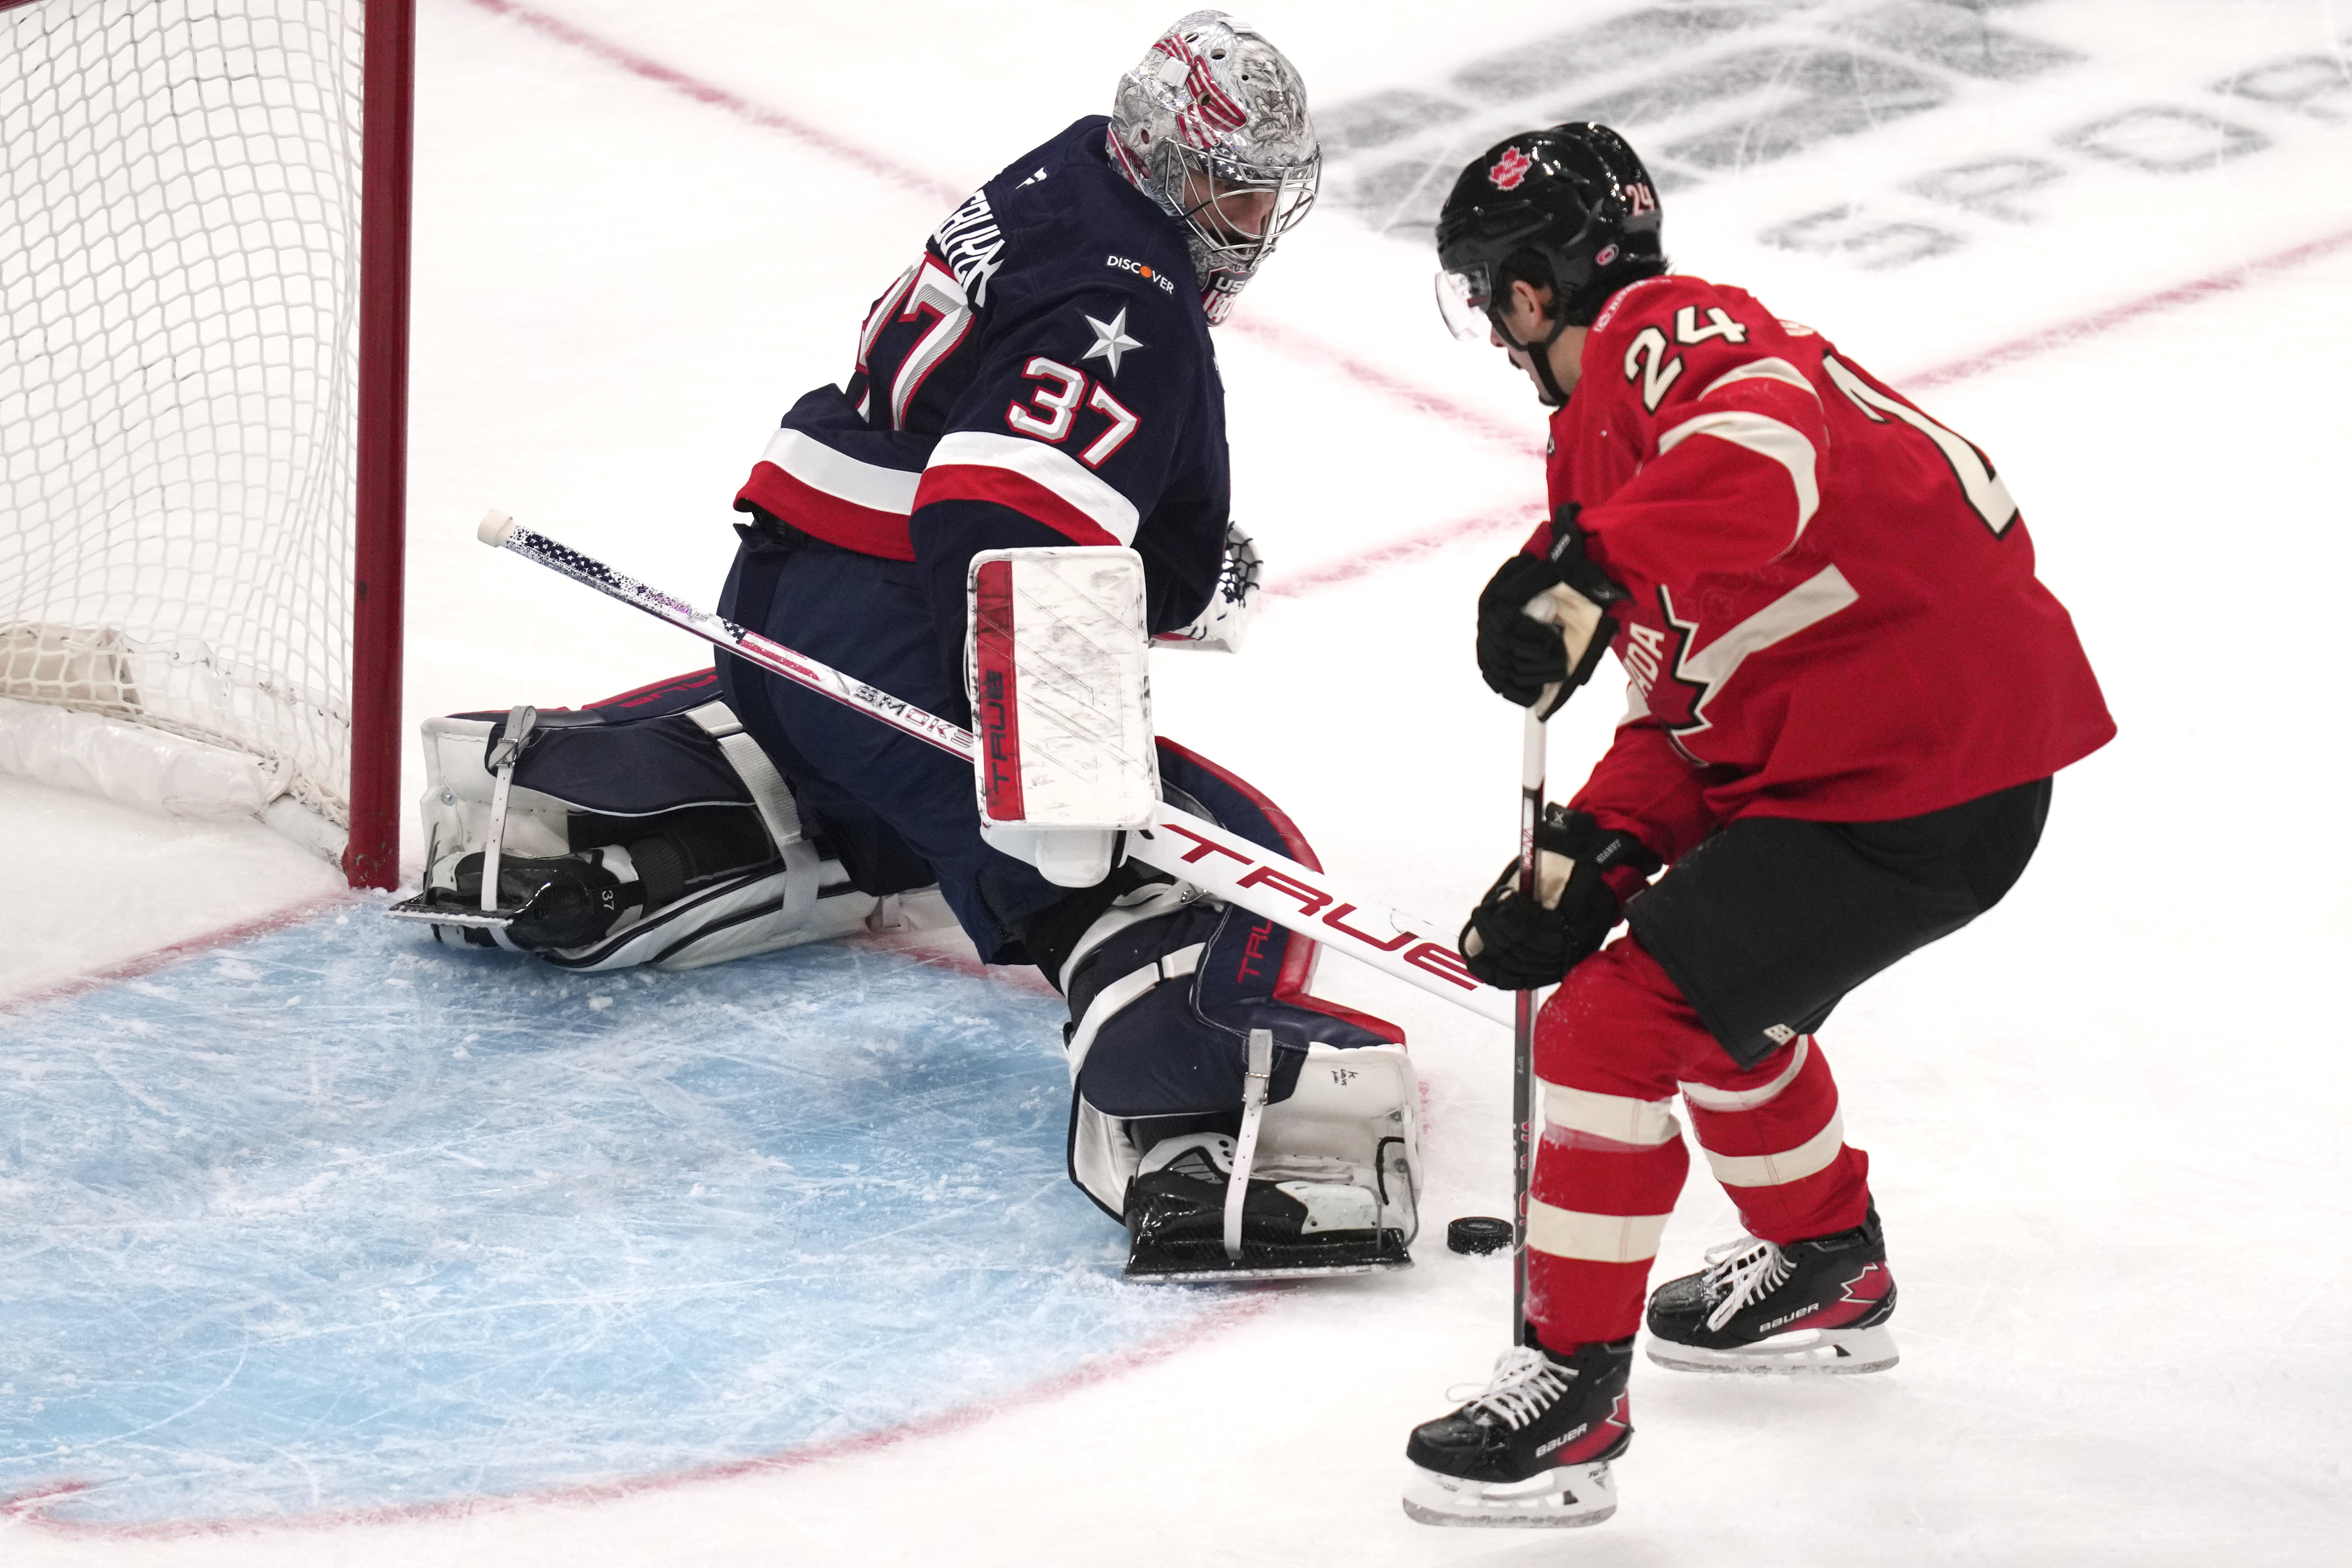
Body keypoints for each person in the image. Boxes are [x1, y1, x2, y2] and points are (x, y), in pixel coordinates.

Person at [404, 13, 1427, 1281]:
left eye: (1267, 184)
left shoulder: (1076, 168)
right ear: (1164, 161)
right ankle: (1199, 1123)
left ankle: (611, 806)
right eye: (1228, 181)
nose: (1250, 213)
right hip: (900, 631)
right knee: (1178, 859)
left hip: (783, 610)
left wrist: (1152, 565)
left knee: (868, 789)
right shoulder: (1137, 297)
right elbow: (1002, 531)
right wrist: (1055, 765)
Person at [1397, 123, 2114, 1527]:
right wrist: (1593, 854)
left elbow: (1764, 447)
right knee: (1715, 991)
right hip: (1881, 758)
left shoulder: (1673, 335)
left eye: (1491, 295)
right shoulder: (1609, 449)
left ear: (1533, 292)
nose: (1490, 328)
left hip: (1918, 772)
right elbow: (1689, 706)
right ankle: (1826, 1268)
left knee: (1617, 1026)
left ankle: (1570, 1403)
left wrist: (1590, 563)